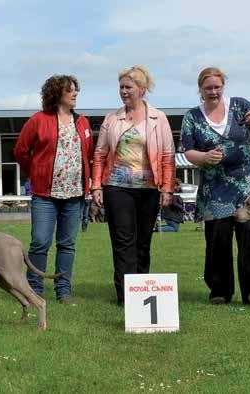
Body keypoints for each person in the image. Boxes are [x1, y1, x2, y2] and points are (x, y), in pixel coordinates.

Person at [181, 67, 250, 306]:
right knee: (217, 240)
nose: (213, 92)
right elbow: (188, 151)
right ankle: (219, 290)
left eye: (217, 87)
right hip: (215, 188)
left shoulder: (240, 105)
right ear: (200, 89)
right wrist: (203, 158)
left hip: (247, 185)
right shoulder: (192, 116)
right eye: (208, 88)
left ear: (223, 86)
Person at [91, 65, 175, 305]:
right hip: (117, 188)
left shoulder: (159, 118)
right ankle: (125, 296)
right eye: (121, 87)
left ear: (142, 89)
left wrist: (167, 188)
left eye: (128, 87)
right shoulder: (112, 119)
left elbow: (168, 156)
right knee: (123, 241)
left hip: (149, 189)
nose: (123, 92)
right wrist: (96, 186)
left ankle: (142, 291)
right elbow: (100, 154)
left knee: (143, 241)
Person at [14, 75, 93, 305]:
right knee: (40, 242)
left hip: (75, 195)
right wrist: (35, 172)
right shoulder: (38, 120)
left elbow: (88, 155)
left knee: (67, 244)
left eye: (76, 90)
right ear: (57, 93)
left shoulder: (83, 122)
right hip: (44, 196)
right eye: (71, 90)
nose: (75, 94)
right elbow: (21, 151)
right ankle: (34, 289)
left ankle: (63, 291)